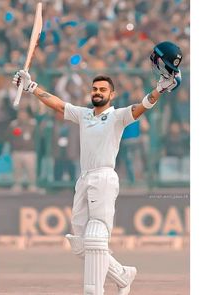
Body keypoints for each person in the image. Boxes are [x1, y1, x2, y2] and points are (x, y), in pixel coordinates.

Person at [13, 41, 182, 295]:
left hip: (104, 177)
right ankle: (123, 275)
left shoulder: (116, 116)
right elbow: (58, 105)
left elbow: (141, 107)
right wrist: (31, 87)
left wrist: (158, 89)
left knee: (95, 237)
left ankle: (94, 291)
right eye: (95, 88)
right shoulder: (83, 114)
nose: (98, 92)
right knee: (82, 244)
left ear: (111, 95)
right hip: (84, 179)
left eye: (103, 89)